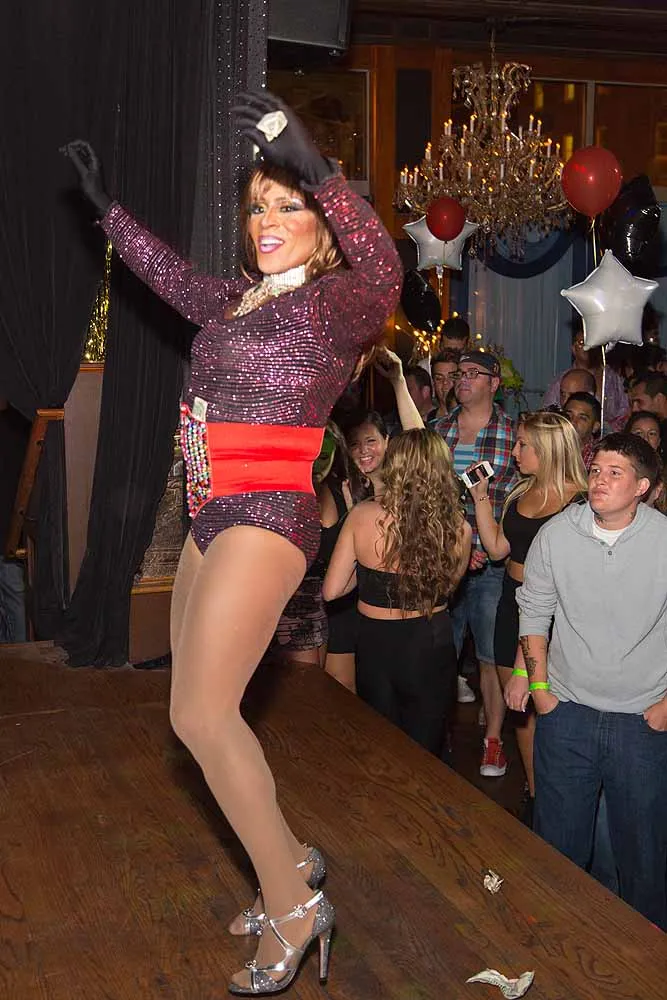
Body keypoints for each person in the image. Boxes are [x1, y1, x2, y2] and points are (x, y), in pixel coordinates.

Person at [63, 91, 402, 994]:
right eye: (256, 207)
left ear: (322, 225)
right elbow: (172, 281)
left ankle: (293, 904)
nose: (266, 221)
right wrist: (107, 211)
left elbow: (384, 268)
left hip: (266, 514)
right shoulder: (239, 301)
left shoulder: (336, 304)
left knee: (202, 718)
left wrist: (319, 171)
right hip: (211, 510)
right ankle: (289, 859)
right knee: (195, 713)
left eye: (286, 206)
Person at [517, 433, 667, 930]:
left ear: (642, 487)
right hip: (568, 716)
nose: (599, 480)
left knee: (643, 858)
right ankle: (556, 943)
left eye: (614, 473)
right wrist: (542, 694)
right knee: (557, 851)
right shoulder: (557, 534)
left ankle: (644, 957)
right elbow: (533, 613)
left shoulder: (663, 540)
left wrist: (665, 707)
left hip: (641, 722)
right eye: (596, 470)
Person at [322, 429, 471, 756]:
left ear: (394, 465)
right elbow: (448, 589)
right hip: (430, 641)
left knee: (382, 747)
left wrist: (369, 571)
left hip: (375, 642)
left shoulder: (363, 516)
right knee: (427, 750)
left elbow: (332, 591)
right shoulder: (459, 528)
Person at [473, 412, 588, 817]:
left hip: (558, 611)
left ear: (549, 449)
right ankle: (538, 796)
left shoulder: (580, 502)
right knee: (520, 708)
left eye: (523, 445)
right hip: (512, 602)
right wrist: (481, 497)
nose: (514, 452)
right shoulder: (520, 491)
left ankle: (564, 799)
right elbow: (497, 550)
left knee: (554, 708)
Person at [434, 350, 517, 777]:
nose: (462, 379)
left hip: (491, 565)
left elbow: (519, 501)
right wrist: (455, 546)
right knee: (439, 653)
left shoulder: (512, 434)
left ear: (494, 383)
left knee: (489, 655)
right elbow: (428, 496)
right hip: (442, 561)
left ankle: (493, 742)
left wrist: (485, 543)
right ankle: (436, 735)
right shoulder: (438, 430)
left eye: (472, 373)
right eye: (458, 374)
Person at [323, 349, 424, 691]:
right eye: (355, 444)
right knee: (341, 698)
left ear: (388, 442)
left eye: (371, 441)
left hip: (389, 612)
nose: (364, 450)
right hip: (342, 608)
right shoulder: (337, 487)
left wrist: (398, 382)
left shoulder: (405, 487)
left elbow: (421, 445)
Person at [543, 328, 629, 431]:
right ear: (573, 348)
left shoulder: (613, 379)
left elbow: (625, 413)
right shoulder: (561, 381)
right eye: (582, 343)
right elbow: (549, 415)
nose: (587, 347)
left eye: (592, 343)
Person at [562, 391, 601, 470]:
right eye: (568, 415)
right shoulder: (550, 448)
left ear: (595, 427)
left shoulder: (598, 456)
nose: (573, 421)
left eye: (582, 418)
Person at [428, 348, 460, 423]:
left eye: (452, 376)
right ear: (433, 383)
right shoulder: (428, 421)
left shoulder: (472, 417)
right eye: (439, 378)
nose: (445, 382)